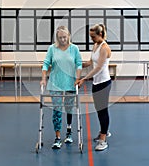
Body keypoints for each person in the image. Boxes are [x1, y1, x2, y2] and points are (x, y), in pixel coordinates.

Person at [40, 26, 82, 149]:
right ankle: (57, 137)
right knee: (57, 110)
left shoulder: (74, 49)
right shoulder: (52, 49)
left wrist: (78, 78)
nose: (63, 39)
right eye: (60, 37)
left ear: (68, 36)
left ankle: (69, 132)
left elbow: (79, 64)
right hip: (55, 83)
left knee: (69, 108)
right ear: (57, 38)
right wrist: (43, 78)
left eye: (64, 37)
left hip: (70, 83)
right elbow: (46, 63)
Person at [76, 23, 111, 151]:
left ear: (100, 34)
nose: (92, 39)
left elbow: (98, 67)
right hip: (96, 83)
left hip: (104, 82)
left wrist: (84, 78)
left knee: (103, 110)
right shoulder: (95, 45)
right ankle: (104, 130)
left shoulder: (104, 48)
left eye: (93, 37)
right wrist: (79, 64)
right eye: (91, 37)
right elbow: (91, 62)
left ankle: (103, 139)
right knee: (98, 109)